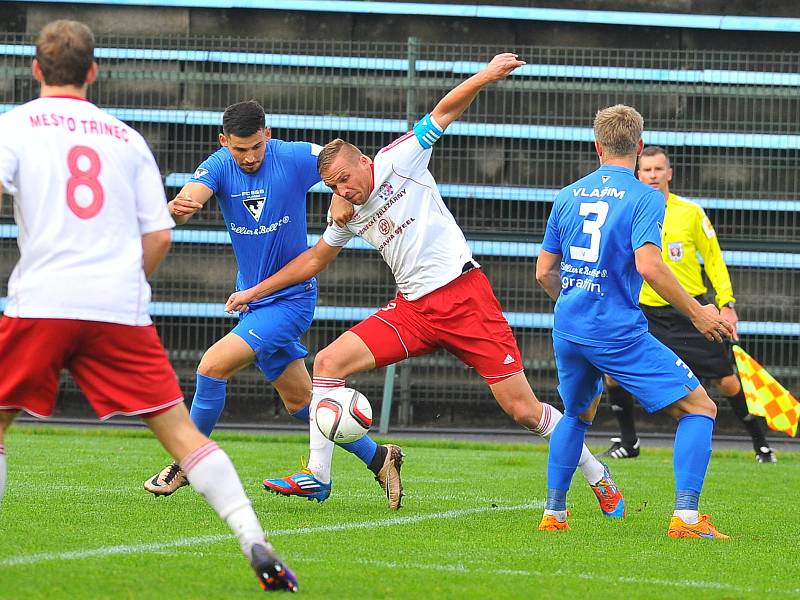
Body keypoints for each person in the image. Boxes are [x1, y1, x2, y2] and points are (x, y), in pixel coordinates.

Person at [225, 53, 623, 517]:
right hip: (413, 310)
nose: (342, 191)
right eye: (332, 186)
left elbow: (445, 111)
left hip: (464, 297)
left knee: (524, 410)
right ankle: (318, 475)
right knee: (329, 362)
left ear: (362, 162)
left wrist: (487, 74)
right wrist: (255, 292)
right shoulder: (347, 212)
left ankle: (600, 478)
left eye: (345, 180)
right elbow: (314, 259)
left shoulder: (400, 158)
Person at [0, 20, 297, 591]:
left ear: (36, 71)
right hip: (117, 305)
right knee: (183, 434)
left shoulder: (16, 126)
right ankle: (252, 538)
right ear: (93, 72)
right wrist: (120, 285)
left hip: (42, 298)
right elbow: (158, 236)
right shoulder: (125, 138)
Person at [142, 100, 403, 503]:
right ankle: (380, 458)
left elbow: (344, 162)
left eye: (255, 147)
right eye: (238, 149)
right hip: (254, 302)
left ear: (267, 134)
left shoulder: (295, 156)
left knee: (212, 366)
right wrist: (181, 207)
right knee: (301, 402)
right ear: (224, 141)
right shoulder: (219, 164)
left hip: (292, 300)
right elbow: (194, 192)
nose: (248, 157)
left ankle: (188, 463)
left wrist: (339, 196)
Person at [535, 104, 734, 538]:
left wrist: (574, 301)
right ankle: (686, 518)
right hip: (615, 330)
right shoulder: (645, 196)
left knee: (577, 413)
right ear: (639, 147)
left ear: (597, 146)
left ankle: (554, 514)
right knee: (701, 408)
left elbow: (544, 272)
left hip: (570, 325)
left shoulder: (567, 195)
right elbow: (649, 264)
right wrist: (699, 312)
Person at [600, 146, 775, 463]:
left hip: (689, 311)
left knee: (726, 380)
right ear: (638, 174)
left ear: (670, 173)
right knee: (612, 373)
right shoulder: (630, 208)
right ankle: (629, 442)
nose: (652, 175)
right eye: (647, 170)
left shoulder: (690, 213)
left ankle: (761, 445)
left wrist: (727, 303)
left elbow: (714, 260)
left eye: (658, 169)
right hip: (645, 312)